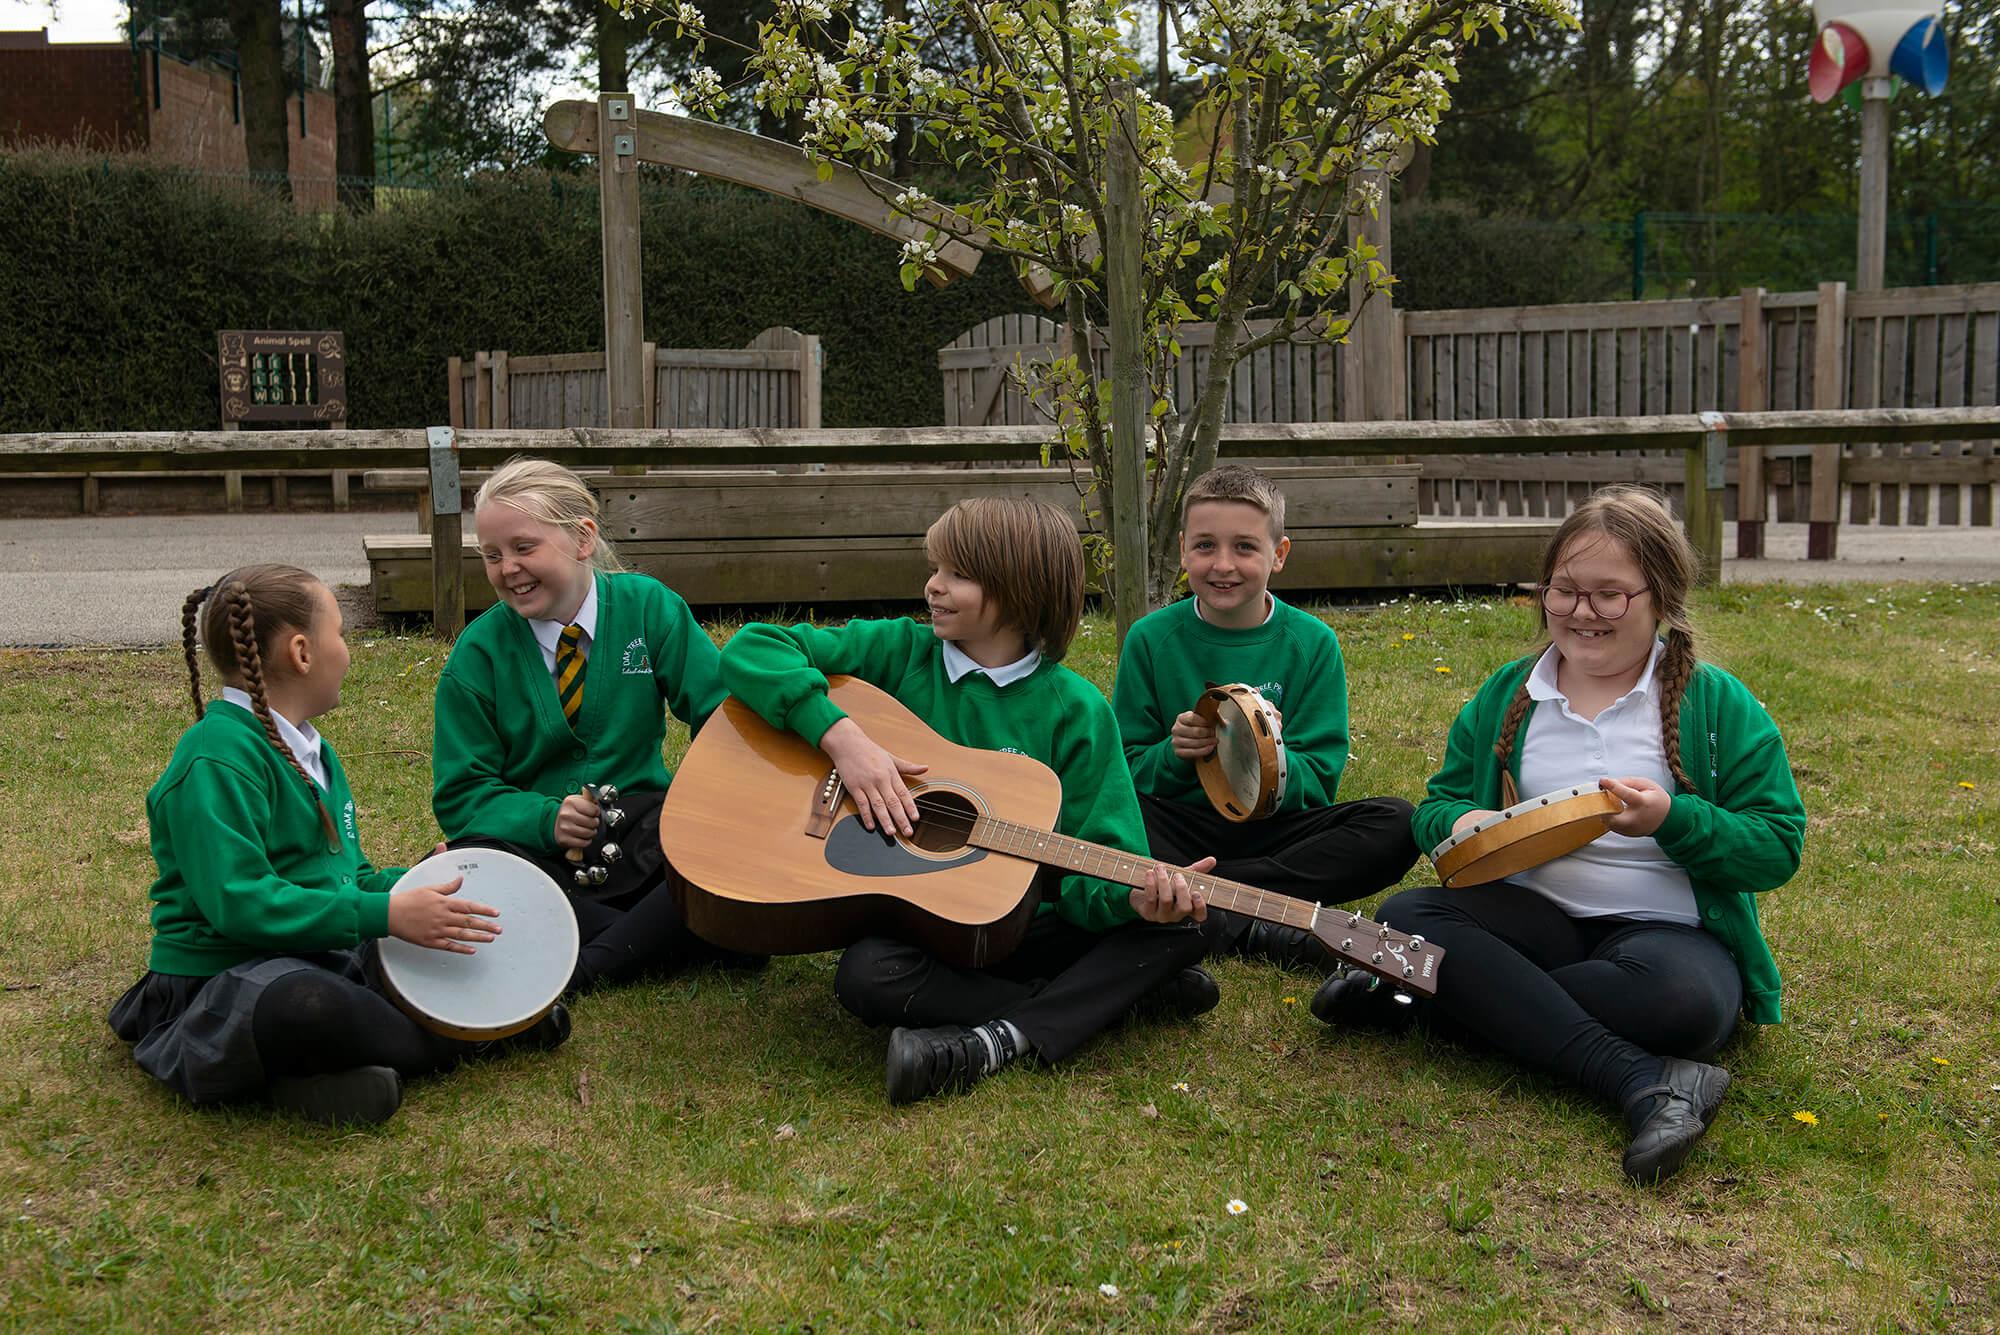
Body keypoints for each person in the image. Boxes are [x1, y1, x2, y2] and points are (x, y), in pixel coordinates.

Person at [1312, 486, 1806, 1184]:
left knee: (1688, 1007)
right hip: (1529, 919)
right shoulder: (1511, 693)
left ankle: (1423, 998)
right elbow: (1438, 804)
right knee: (1408, 913)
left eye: (1610, 595)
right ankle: (1642, 1078)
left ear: (1661, 597)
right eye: (1564, 591)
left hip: (1665, 935)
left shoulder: (1716, 701)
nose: (1582, 612)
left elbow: (1777, 845)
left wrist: (1673, 820)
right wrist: (1459, 821)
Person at [718, 497, 1222, 1105]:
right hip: (927, 931)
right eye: (936, 568)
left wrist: (1135, 900)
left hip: (1033, 929)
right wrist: (844, 741)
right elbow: (753, 647)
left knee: (1188, 929)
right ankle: (1101, 1002)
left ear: (1020, 589)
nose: (933, 585)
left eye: (957, 574)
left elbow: (1097, 870)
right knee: (865, 974)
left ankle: (1009, 1031)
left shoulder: (1077, 711)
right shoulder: (899, 652)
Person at [110, 564, 569, 1126]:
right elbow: (241, 903)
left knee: (436, 935)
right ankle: (474, 1039)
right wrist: (386, 914)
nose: (348, 652)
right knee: (308, 1006)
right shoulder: (215, 759)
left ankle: (316, 1082)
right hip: (230, 977)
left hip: (318, 950)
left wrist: (416, 886)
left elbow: (349, 879)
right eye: (341, 634)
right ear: (302, 653)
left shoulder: (311, 751)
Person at [432, 457, 746, 995]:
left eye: (524, 547)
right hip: (538, 857)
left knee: (731, 855)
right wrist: (546, 819)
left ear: (583, 538)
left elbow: (722, 715)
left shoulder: (649, 608)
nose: (508, 568)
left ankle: (581, 962)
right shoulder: (477, 655)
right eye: (491, 555)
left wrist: (710, 808)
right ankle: (663, 936)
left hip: (648, 840)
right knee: (454, 871)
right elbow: (462, 795)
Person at [1114, 465, 1417, 968]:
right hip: (1178, 825)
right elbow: (1122, 772)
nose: (1223, 564)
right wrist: (1174, 753)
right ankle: (1259, 919)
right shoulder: (1150, 638)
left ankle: (1209, 900)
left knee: (1398, 823)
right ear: (1183, 549)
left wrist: (1266, 751)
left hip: (1277, 833)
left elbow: (1319, 781)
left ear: (1279, 554)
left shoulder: (1313, 642)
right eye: (1205, 546)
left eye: (1245, 547)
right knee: (1089, 820)